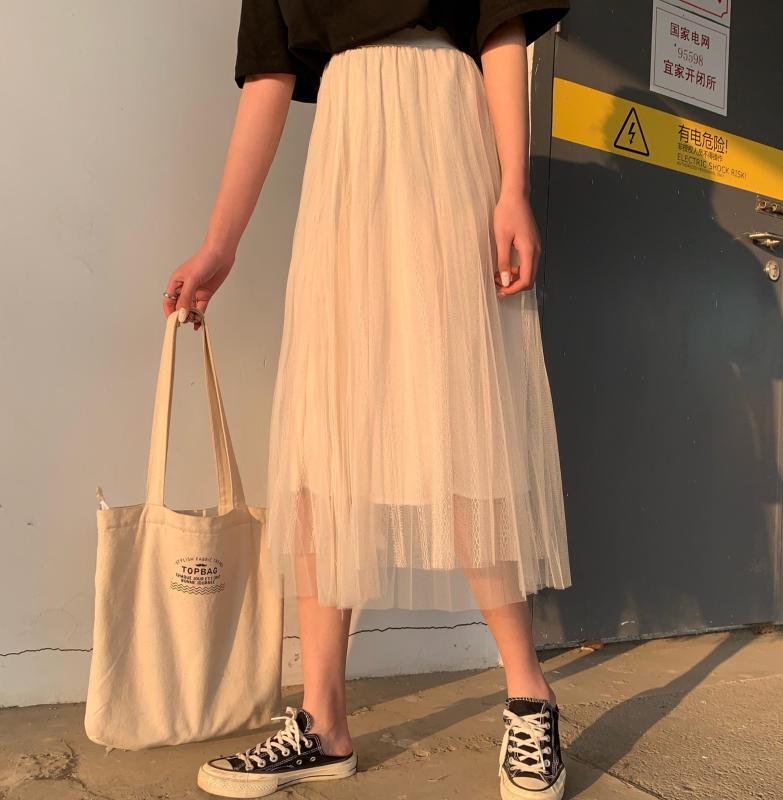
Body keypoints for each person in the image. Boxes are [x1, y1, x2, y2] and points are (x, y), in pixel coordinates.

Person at [163, 2, 572, 798]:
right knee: (325, 426)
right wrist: (221, 243)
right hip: (346, 155)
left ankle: (530, 696)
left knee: (459, 414)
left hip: (443, 129)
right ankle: (323, 723)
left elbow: (499, 24)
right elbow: (270, 73)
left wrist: (513, 187)